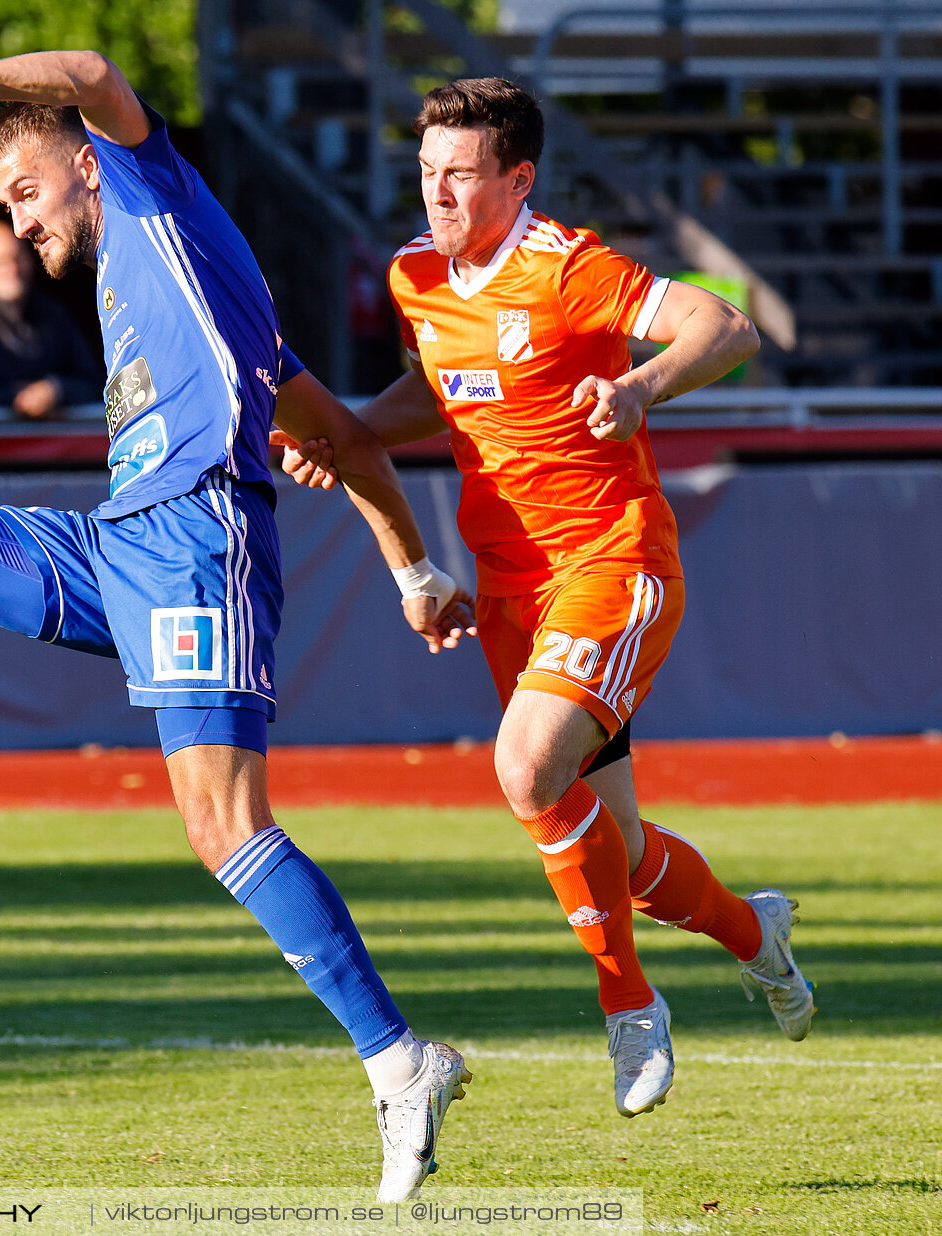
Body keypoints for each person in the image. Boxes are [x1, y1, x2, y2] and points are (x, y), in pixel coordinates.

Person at [0, 45, 475, 1201]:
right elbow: (347, 438)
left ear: (90, 168)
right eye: (1, 205)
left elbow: (97, 69)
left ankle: (400, 1060)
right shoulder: (168, 284)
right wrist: (415, 571)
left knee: (221, 824)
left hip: (200, 542)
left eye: (23, 192)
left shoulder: (155, 189)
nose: (16, 225)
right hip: (121, 540)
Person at [282, 78, 814, 1118]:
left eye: (459, 173)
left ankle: (630, 1010)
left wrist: (640, 388)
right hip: (508, 583)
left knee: (525, 771)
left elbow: (727, 325)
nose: (435, 191)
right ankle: (758, 934)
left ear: (516, 177)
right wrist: (341, 437)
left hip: (612, 561)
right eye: (426, 170)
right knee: (620, 853)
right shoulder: (414, 275)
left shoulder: (568, 266)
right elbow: (440, 394)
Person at [0, 220, 104, 417]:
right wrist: (18, 398)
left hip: (55, 442)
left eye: (17, 258)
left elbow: (95, 381)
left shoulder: (52, 313)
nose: (12, 270)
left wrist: (55, 390)